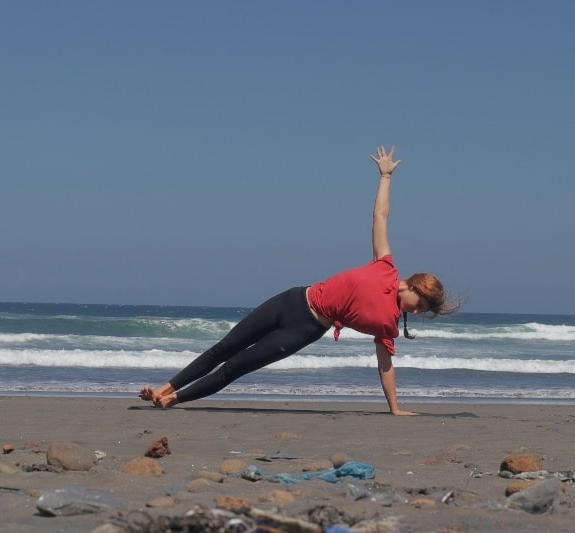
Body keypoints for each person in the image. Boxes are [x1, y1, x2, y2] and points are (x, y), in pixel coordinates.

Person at [140, 146, 457, 415]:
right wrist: (386, 177)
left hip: (304, 329)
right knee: (223, 348)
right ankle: (162, 388)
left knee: (236, 367)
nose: (415, 312)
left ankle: (171, 400)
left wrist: (395, 408)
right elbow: (381, 216)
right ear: (415, 286)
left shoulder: (388, 324)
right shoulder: (385, 266)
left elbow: (385, 366)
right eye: (422, 306)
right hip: (293, 300)